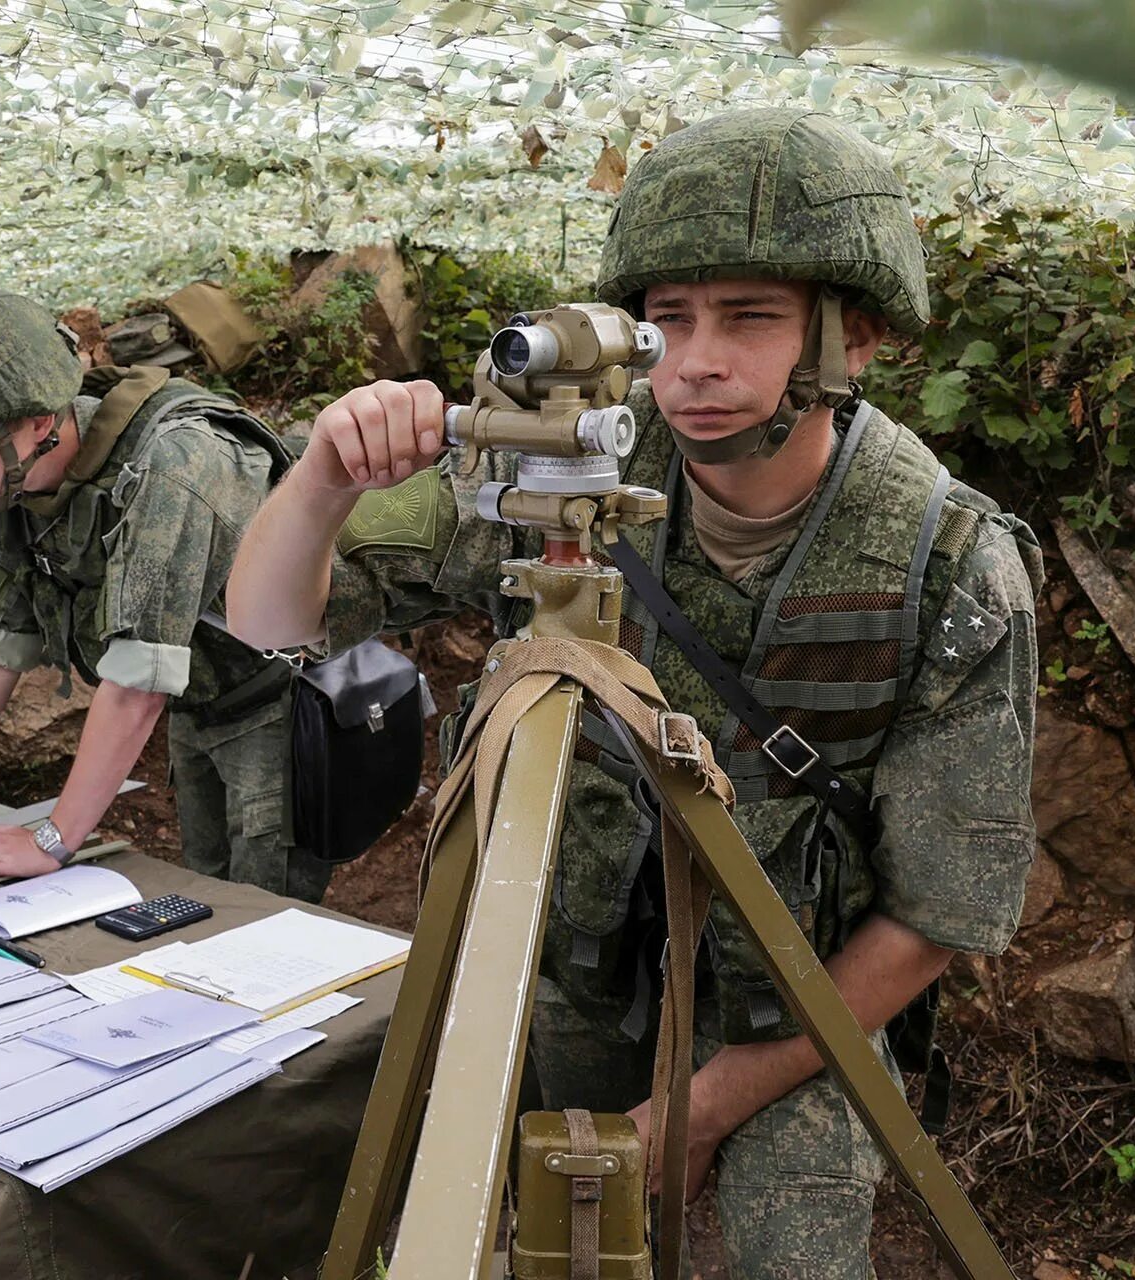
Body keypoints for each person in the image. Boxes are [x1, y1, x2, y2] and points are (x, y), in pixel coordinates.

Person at [225, 107, 1042, 1276]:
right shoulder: (568, 471)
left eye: (750, 319)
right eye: (669, 322)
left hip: (800, 998)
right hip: (584, 962)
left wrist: (694, 1117)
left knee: (795, 1253)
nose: (699, 361)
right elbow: (267, 625)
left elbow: (936, 918)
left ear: (853, 340)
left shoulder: (948, 561)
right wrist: (322, 474)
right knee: (535, 1223)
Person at [0, 289, 331, 903]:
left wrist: (52, 839)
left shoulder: (172, 465)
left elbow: (137, 686)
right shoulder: (15, 477)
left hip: (279, 706)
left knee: (263, 913)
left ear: (39, 422)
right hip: (197, 705)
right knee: (207, 889)